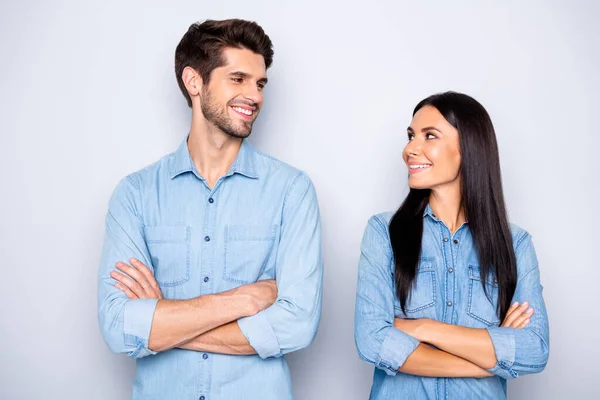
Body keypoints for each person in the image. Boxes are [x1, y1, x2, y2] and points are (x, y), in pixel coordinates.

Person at [97, 19, 323, 400]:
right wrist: (242, 301)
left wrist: (163, 320)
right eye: (238, 79)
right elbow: (118, 326)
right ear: (194, 82)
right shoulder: (135, 194)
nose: (254, 95)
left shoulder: (292, 192)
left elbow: (297, 325)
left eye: (260, 83)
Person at [354, 91, 549, 399]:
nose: (409, 149)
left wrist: (423, 329)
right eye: (410, 136)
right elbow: (373, 341)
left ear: (468, 148)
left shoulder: (515, 245)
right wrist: (488, 357)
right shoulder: (383, 233)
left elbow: (535, 350)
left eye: (429, 136)